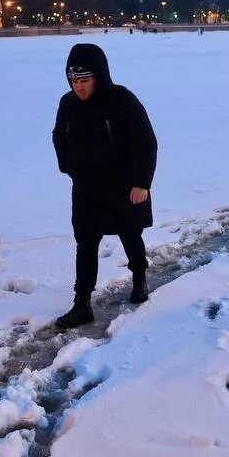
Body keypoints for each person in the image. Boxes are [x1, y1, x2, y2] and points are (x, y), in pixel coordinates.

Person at [52, 43, 157, 328]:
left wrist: (141, 183)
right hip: (86, 188)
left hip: (123, 186)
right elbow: (59, 136)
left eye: (84, 81)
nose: (79, 88)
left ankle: (139, 277)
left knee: (130, 235)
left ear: (99, 76)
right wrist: (69, 166)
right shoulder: (68, 104)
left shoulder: (121, 100)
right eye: (74, 81)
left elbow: (145, 141)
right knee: (85, 243)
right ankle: (82, 303)